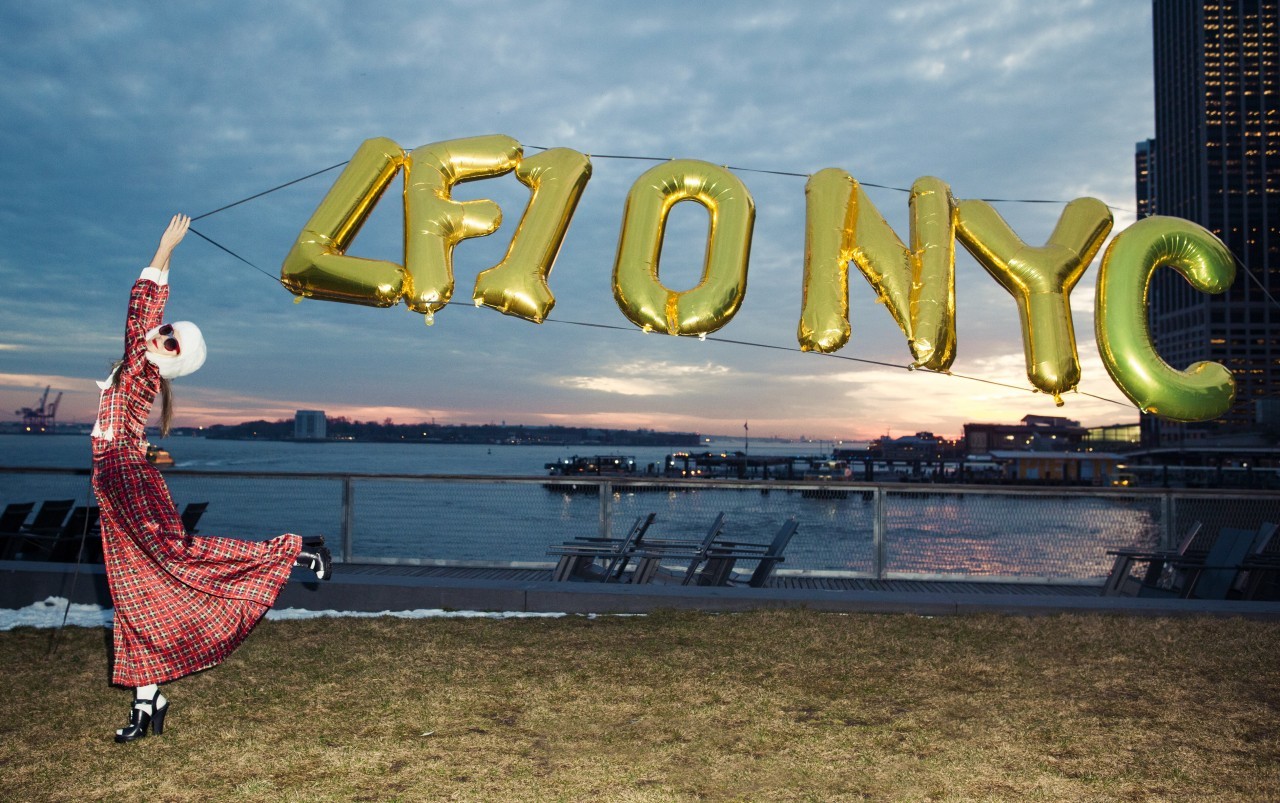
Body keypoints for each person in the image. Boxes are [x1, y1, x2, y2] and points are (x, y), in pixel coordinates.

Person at [91, 214, 332, 744]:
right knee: (135, 591)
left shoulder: (141, 369)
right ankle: (147, 700)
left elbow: (140, 309)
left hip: (125, 476)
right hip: (112, 481)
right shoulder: (140, 364)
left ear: (170, 363)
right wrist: (167, 260)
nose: (161, 334)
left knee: (174, 557)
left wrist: (163, 250)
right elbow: (147, 320)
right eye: (166, 331)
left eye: (170, 340)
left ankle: (295, 551)